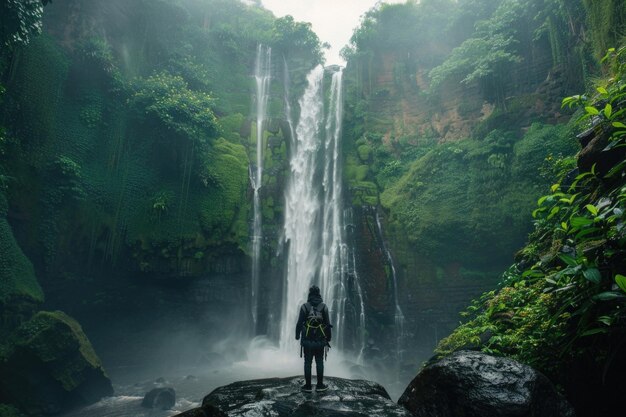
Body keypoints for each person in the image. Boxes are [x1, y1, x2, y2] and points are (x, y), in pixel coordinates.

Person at [295, 285, 332, 392]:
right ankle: (320, 385)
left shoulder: (304, 307)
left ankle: (307, 386)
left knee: (307, 362)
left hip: (307, 340)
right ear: (319, 294)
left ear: (309, 294)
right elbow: (328, 324)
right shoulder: (324, 307)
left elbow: (299, 324)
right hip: (320, 340)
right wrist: (328, 338)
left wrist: (297, 336)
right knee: (319, 361)